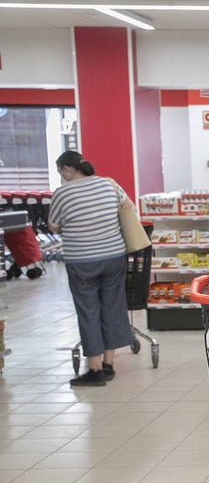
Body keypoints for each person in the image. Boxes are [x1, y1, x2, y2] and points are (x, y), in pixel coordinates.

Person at [47, 151, 135, 387]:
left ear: (67, 169)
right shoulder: (109, 184)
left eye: (60, 172)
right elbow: (129, 207)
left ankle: (94, 369)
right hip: (113, 256)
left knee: (88, 311)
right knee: (112, 307)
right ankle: (109, 364)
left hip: (82, 260)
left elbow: (53, 226)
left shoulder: (62, 193)